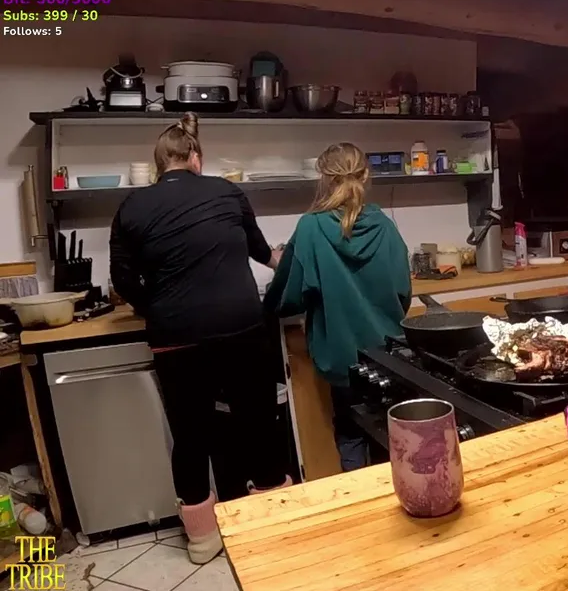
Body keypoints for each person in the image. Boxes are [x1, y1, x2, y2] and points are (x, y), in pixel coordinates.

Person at [109, 113, 288, 565]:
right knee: (258, 423)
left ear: (159, 165)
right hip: (240, 327)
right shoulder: (226, 191)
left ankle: (203, 541)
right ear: (195, 158)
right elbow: (262, 253)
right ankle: (272, 524)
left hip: (176, 338)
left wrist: (157, 307)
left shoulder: (131, 206)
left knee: (190, 436)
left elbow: (123, 281)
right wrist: (287, 262)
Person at [264, 143, 411, 471]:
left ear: (324, 179)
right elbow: (403, 291)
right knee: (388, 438)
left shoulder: (311, 227)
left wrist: (271, 305)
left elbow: (288, 296)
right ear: (366, 175)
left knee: (350, 433)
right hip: (387, 355)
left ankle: (357, 500)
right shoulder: (384, 226)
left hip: (340, 357)